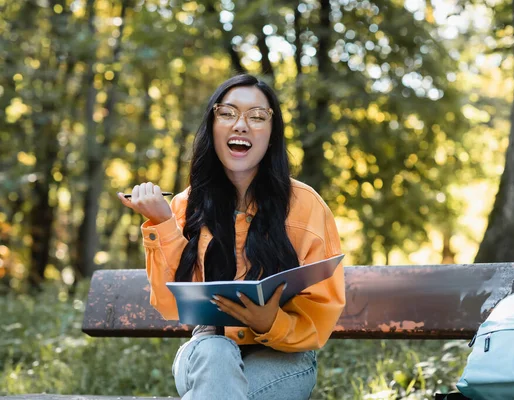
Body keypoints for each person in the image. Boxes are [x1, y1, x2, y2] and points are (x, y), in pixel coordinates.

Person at [117, 74, 345, 399]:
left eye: (256, 116)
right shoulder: (184, 205)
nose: (241, 125)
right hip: (206, 350)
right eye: (227, 113)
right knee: (216, 355)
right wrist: (163, 223)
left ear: (271, 133)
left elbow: (321, 310)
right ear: (212, 126)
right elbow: (170, 304)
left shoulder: (306, 206)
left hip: (284, 358)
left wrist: (271, 322)